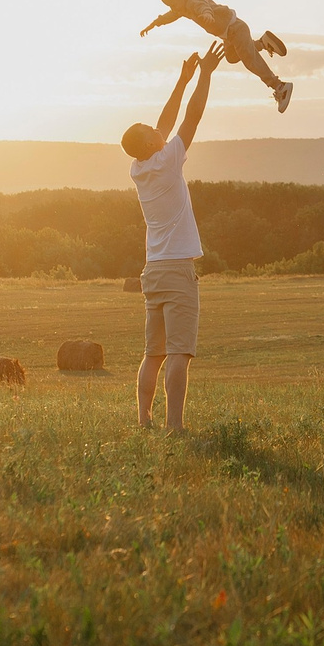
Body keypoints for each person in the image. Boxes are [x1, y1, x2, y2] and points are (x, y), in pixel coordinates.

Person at [122, 45, 223, 432]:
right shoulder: (167, 160)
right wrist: (205, 75)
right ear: (151, 144)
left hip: (153, 269)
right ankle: (174, 425)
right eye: (150, 132)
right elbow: (191, 119)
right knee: (180, 351)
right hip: (178, 268)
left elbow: (163, 126)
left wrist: (180, 81)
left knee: (154, 352)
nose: (156, 130)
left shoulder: (139, 167)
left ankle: (144, 418)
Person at [138, 0, 294, 113]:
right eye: (170, 6)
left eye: (173, 4)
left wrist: (207, 14)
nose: (173, 9)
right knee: (232, 57)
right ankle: (263, 43)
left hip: (235, 29)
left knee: (249, 60)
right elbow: (171, 16)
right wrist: (154, 24)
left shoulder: (192, 1)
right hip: (228, 35)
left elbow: (202, 6)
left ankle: (279, 86)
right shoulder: (182, 6)